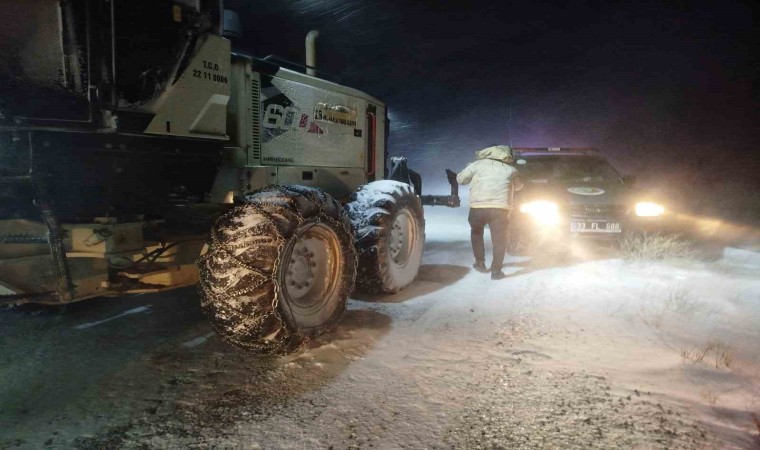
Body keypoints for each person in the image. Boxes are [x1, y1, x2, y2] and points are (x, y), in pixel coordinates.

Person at [456, 145, 524, 280]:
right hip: (500, 209)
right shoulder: (511, 170)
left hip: (478, 207)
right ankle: (496, 271)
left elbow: (461, 179)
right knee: (499, 240)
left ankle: (480, 263)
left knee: (476, 233)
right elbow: (519, 186)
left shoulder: (476, 165)